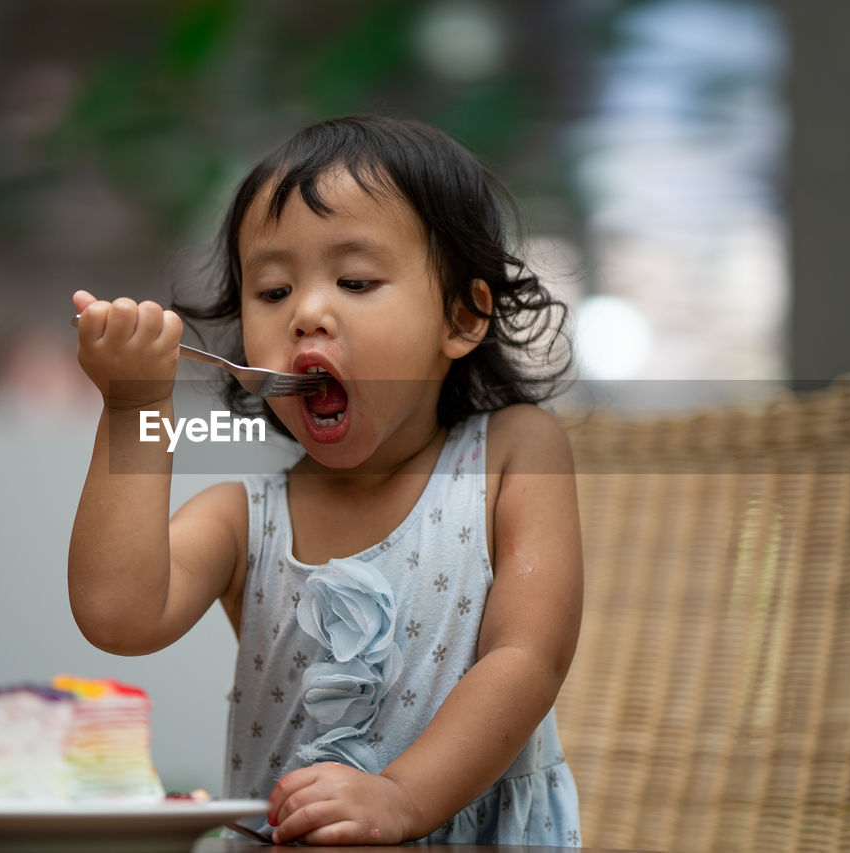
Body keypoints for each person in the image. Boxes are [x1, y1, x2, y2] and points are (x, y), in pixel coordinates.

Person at [68, 115, 583, 846]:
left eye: (355, 280)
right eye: (273, 291)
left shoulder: (509, 454)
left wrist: (400, 797)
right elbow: (117, 614)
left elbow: (528, 656)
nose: (307, 311)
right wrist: (131, 409)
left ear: (462, 317)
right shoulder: (246, 515)